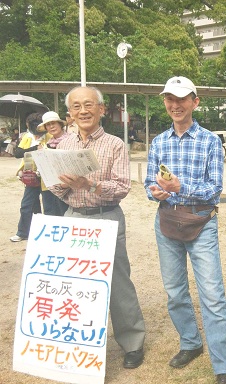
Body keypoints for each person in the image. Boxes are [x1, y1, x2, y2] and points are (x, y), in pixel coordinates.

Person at [144, 76, 226, 384]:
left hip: (201, 221)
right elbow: (148, 184)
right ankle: (191, 342)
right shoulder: (158, 142)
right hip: (167, 220)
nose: (175, 104)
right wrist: (154, 192)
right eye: (170, 98)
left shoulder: (210, 141)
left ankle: (223, 365)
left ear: (195, 102)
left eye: (182, 99)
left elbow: (215, 189)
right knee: (175, 292)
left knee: (212, 295)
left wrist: (181, 187)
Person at [48, 86, 146, 370]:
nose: (83, 111)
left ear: (102, 109)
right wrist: (64, 185)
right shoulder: (61, 146)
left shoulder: (115, 144)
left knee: (117, 282)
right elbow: (54, 186)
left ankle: (132, 342)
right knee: (74, 285)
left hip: (107, 217)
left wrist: (90, 184)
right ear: (69, 114)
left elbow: (123, 187)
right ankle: (80, 346)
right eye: (76, 107)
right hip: (73, 216)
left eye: (89, 105)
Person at [10, 113, 52, 242]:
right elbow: (18, 153)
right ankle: (23, 232)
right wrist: (35, 148)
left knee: (49, 207)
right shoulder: (27, 137)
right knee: (27, 205)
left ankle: (49, 234)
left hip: (47, 177)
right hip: (31, 176)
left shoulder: (50, 137)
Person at [37, 111, 70, 216]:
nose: (51, 126)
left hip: (67, 185)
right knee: (51, 213)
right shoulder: (47, 144)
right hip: (50, 185)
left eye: (53, 123)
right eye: (48, 124)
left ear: (60, 124)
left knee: (66, 213)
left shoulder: (72, 139)